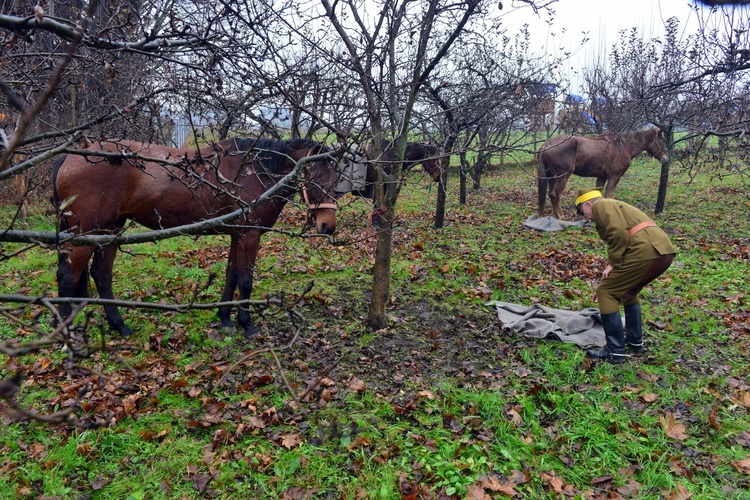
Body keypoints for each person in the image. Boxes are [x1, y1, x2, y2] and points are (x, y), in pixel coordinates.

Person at [575, 188, 676, 363]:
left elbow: (618, 232)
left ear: (588, 204)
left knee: (606, 292)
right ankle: (635, 342)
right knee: (627, 292)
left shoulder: (602, 205)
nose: (584, 217)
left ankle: (615, 350)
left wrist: (613, 263)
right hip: (663, 251)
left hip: (645, 250)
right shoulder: (616, 206)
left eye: (581, 211)